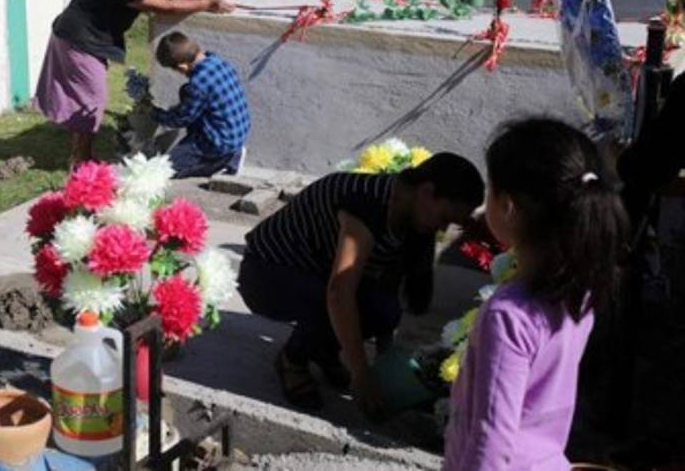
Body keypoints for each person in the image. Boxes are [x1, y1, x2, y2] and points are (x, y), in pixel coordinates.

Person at [238, 153, 483, 412]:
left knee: (383, 310)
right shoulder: (367, 205)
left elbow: (388, 290)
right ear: (426, 191)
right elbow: (339, 292)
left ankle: (322, 349)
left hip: (316, 274)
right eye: (444, 218)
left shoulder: (408, 212)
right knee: (338, 303)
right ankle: (292, 360)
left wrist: (387, 366)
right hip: (267, 275)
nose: (443, 229)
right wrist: (361, 374)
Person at [444, 119, 626, 468]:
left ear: (507, 207)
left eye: (489, 190)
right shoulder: (580, 292)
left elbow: (492, 440)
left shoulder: (509, 315)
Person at [36, 0, 234, 166]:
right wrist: (206, 5)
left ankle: (80, 152)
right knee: (92, 99)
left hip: (81, 36)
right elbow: (164, 6)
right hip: (78, 40)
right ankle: (81, 160)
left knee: (88, 98)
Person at [152, 32, 250, 178]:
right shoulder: (217, 60)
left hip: (220, 142)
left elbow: (180, 119)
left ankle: (225, 160)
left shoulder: (198, 85)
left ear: (183, 66)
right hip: (237, 132)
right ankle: (230, 152)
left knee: (164, 170)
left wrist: (154, 113)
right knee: (185, 91)